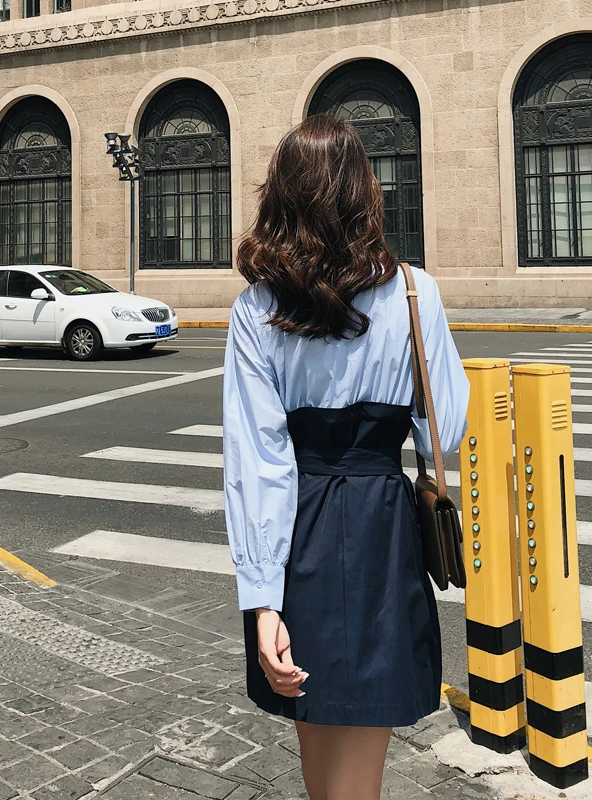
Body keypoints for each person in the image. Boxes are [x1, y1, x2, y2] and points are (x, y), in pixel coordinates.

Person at [223, 115, 469, 800]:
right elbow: (445, 427)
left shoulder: (258, 308)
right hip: (381, 528)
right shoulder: (414, 291)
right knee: (362, 757)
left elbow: (257, 461)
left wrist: (262, 601)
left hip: (299, 530)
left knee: (316, 736)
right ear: (366, 192)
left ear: (281, 194)